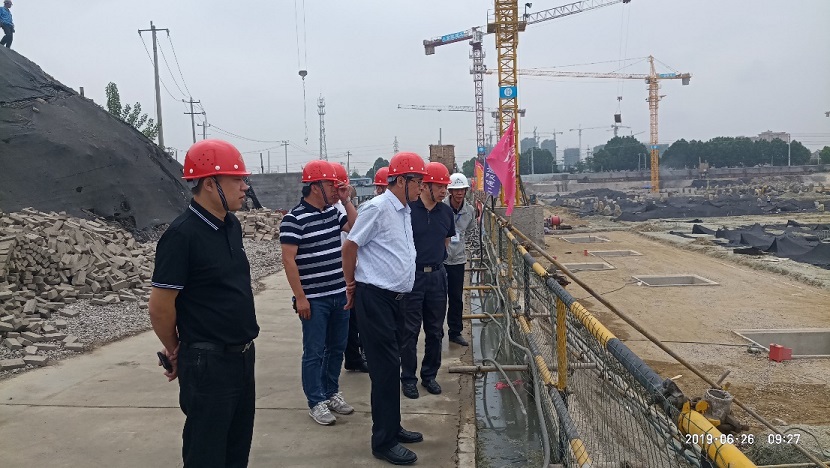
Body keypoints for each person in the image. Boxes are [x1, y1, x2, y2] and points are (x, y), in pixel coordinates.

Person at [148, 139, 259, 468]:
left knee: (236, 448)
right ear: (210, 184)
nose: (245, 186)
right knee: (206, 453)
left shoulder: (231, 225)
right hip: (208, 363)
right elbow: (160, 306)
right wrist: (176, 349)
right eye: (237, 179)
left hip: (242, 356)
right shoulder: (182, 235)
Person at [342, 152, 428, 466]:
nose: (421, 187)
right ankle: (383, 441)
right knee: (385, 370)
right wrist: (350, 284)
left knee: (394, 365)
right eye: (418, 182)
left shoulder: (404, 209)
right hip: (375, 298)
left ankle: (393, 426)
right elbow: (350, 246)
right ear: (402, 181)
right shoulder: (377, 208)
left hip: (397, 300)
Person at [280, 159, 357, 426]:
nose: (336, 189)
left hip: (339, 293)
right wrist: (301, 297)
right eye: (331, 185)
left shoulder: (333, 213)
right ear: (315, 187)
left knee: (337, 348)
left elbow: (356, 229)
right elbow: (288, 260)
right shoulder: (293, 219)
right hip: (314, 299)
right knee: (314, 352)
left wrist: (346, 200)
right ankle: (316, 401)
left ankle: (331, 392)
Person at [399, 162, 455, 400]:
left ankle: (429, 375)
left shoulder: (446, 213)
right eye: (439, 186)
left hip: (437, 277)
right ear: (424, 186)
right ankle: (408, 379)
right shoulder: (408, 211)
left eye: (445, 186)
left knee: (435, 331)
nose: (444, 191)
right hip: (413, 277)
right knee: (409, 331)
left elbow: (446, 241)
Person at [330, 162, 369, 374]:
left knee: (352, 319)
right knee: (346, 321)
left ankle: (353, 356)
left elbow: (356, 229)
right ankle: (352, 356)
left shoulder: (341, 207)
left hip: (348, 269)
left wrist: (346, 201)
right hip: (337, 272)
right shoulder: (330, 209)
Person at [443, 173, 476, 347]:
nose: (459, 193)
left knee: (456, 298)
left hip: (458, 260)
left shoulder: (469, 211)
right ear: (450, 191)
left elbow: (470, 230)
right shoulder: (440, 208)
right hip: (441, 260)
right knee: (438, 298)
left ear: (465, 191)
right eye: (455, 190)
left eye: (462, 190)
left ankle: (455, 332)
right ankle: (436, 332)